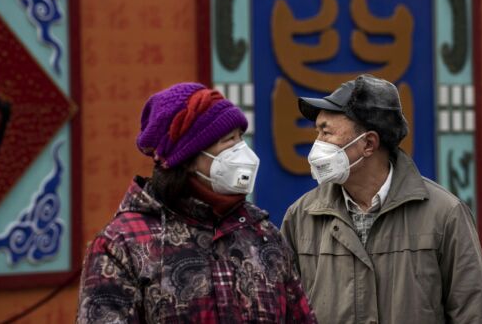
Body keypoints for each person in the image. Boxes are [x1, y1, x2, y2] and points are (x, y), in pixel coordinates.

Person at [77, 82, 316, 323]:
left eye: (240, 138)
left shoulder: (262, 234)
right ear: (188, 159)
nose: (242, 152)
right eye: (227, 141)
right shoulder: (122, 245)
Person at [281, 74, 482, 323]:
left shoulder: (445, 215)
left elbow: (473, 315)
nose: (317, 145)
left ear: (368, 144)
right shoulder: (301, 218)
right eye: (317, 132)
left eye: (326, 133)